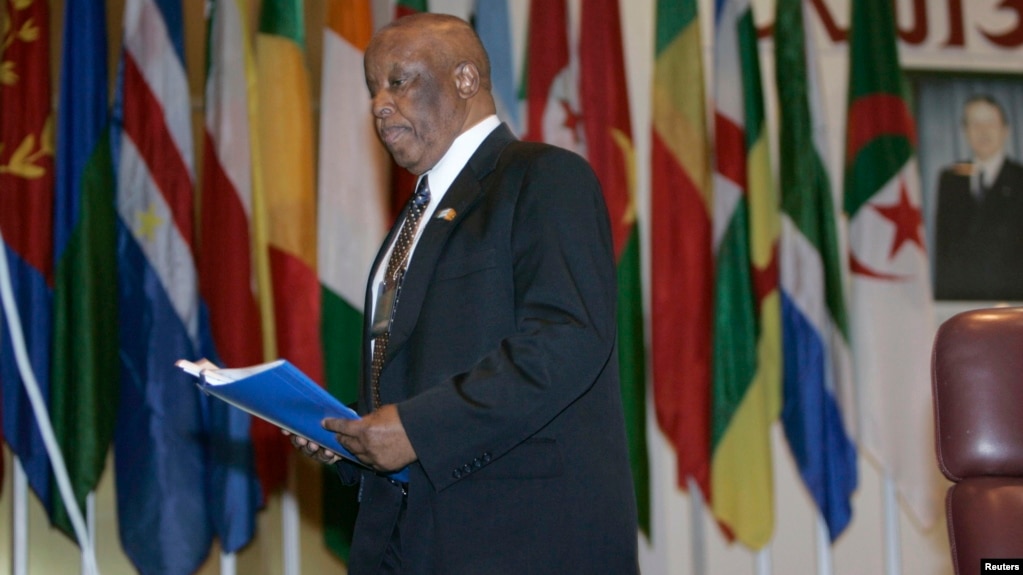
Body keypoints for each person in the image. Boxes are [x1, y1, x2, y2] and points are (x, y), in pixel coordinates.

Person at [292, 13, 639, 575]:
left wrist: (417, 429)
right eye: (372, 87)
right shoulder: (411, 222)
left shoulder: (544, 178)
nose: (379, 103)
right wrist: (352, 436)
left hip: (520, 542)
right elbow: (421, 374)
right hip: (406, 543)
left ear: (465, 80)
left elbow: (566, 340)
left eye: (398, 81)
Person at [933, 94, 1023, 300]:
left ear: (1005, 130)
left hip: (1013, 305)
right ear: (965, 132)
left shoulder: (1020, 178)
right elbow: (944, 248)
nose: (983, 131)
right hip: (960, 303)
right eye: (975, 124)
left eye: (990, 123)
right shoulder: (950, 178)